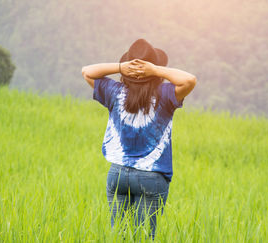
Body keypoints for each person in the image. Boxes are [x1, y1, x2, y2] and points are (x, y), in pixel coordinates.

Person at [82, 39, 196, 239]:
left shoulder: (114, 92)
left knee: (118, 236)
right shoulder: (166, 95)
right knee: (144, 237)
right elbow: (189, 80)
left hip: (117, 173)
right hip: (152, 176)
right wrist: (156, 70)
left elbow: (87, 71)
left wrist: (121, 68)